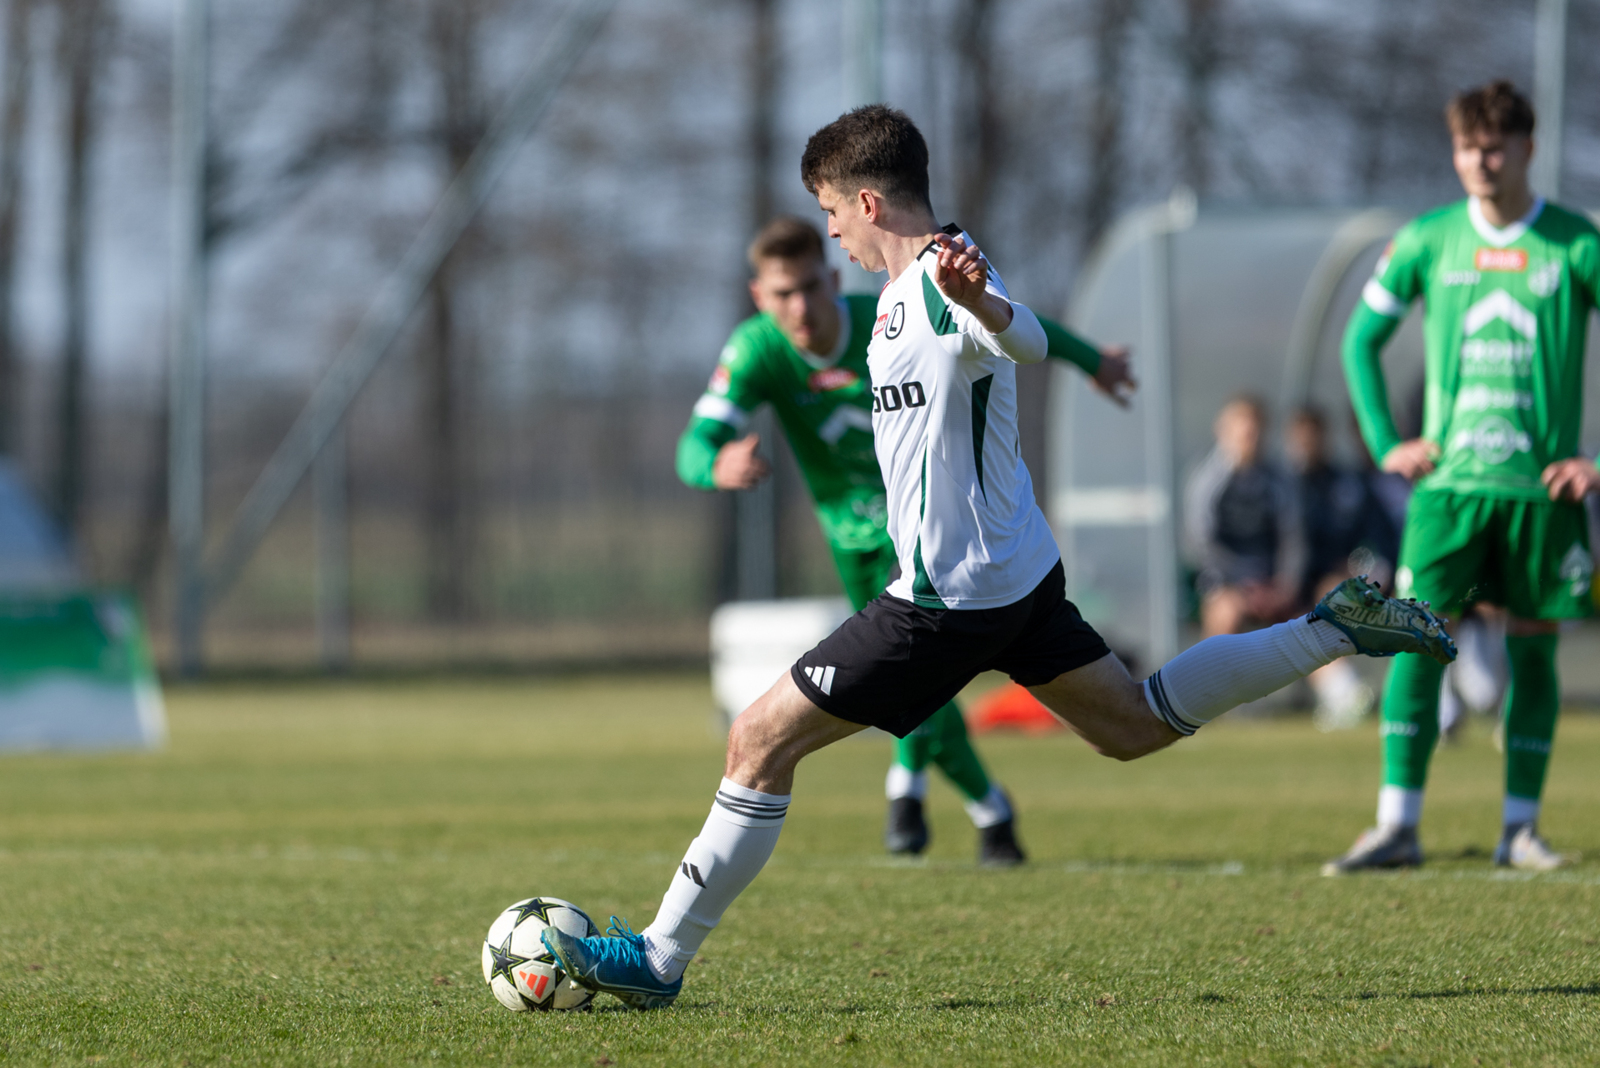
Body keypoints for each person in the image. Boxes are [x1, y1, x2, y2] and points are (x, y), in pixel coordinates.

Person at [545, 105, 1454, 1009]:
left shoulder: (947, 275)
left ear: (867, 201)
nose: (830, 234)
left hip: (944, 602)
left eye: (830, 212)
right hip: (1015, 580)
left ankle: (659, 960)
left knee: (756, 740)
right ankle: (1331, 630)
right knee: (1134, 726)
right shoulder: (901, 294)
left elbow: (1011, 332)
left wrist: (985, 301)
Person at [677, 215, 1136, 865]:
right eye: (782, 294)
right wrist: (714, 465)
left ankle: (917, 791)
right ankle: (982, 807)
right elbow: (694, 443)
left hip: (929, 529)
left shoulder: (890, 316)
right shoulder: (756, 351)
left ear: (833, 278)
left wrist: (1093, 361)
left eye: (810, 286)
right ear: (760, 298)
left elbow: (1008, 322)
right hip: (853, 541)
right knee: (914, 685)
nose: (800, 306)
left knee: (910, 681)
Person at [1326, 80, 1600, 875]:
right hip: (1448, 493)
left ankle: (1519, 830)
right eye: (1465, 148)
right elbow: (1359, 342)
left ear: (1526, 150)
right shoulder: (1428, 241)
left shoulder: (1576, 245)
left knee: (1535, 651)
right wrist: (1387, 441)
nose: (1479, 162)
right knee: (1415, 641)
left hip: (1540, 494)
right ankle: (1396, 826)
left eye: (1494, 147)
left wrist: (1593, 460)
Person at [1282, 405, 1401, 729]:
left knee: (1326, 600)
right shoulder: (1282, 486)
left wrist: (1359, 572)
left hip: (1338, 587)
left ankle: (1346, 695)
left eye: (1313, 438)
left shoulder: (1348, 485)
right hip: (1287, 589)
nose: (1307, 446)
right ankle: (1344, 693)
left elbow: (1375, 542)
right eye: (1300, 439)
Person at [1184, 396, 1302, 638]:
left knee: (1311, 627)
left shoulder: (1278, 479)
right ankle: (1215, 674)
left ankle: (1343, 678)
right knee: (1227, 615)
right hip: (1225, 583)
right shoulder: (1208, 481)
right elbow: (1201, 542)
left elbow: (1293, 537)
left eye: (1256, 433)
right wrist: (1243, 585)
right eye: (1243, 434)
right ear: (1224, 432)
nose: (1250, 440)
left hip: (1270, 585)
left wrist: (1285, 586)